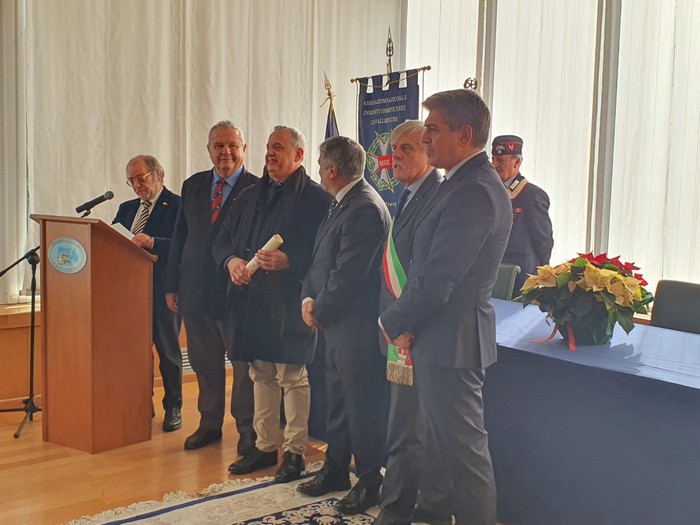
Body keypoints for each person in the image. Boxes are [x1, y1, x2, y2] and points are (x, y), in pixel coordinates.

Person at [378, 89, 513, 525]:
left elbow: (440, 278)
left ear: (464, 134)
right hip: (439, 338)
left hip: (454, 343)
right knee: (444, 451)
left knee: (464, 461)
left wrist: (392, 320)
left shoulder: (474, 190)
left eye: (433, 130)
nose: (426, 139)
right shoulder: (457, 182)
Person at [212, 125, 331, 483]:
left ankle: (294, 452)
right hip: (252, 301)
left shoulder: (318, 199)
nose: (270, 154)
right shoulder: (250, 195)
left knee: (292, 377)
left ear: (299, 155)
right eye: (268, 147)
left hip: (291, 301)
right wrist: (232, 262)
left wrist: (289, 262)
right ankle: (265, 446)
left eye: (278, 147)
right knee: (260, 373)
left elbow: (327, 254)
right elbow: (221, 240)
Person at [296, 136, 391, 514]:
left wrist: (319, 309)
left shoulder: (365, 207)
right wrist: (308, 298)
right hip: (335, 325)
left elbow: (348, 275)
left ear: (332, 169)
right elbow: (319, 261)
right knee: (337, 402)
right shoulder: (341, 202)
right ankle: (336, 470)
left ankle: (369, 481)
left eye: (321, 165)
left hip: (356, 329)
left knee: (361, 405)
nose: (319, 172)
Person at [164, 121, 258, 453]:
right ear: (208, 150)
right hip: (194, 291)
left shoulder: (257, 189)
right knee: (204, 362)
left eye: (232, 145)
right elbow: (180, 237)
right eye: (218, 146)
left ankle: (247, 429)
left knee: (243, 368)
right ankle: (209, 424)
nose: (225, 152)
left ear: (244, 149)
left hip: (237, 294)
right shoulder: (193, 185)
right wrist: (172, 285)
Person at [374, 121, 442, 524]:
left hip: (414, 332)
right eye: (394, 149)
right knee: (407, 425)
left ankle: (396, 511)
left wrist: (402, 322)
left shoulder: (435, 197)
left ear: (428, 153)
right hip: (399, 328)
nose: (395, 156)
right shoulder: (408, 195)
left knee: (408, 428)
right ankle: (421, 505)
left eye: (406, 149)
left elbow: (426, 272)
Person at [113, 155, 182, 432]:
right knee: (136, 353)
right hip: (130, 293)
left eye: (141, 178)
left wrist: (153, 241)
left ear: (158, 175)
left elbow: (184, 245)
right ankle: (142, 403)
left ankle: (173, 407)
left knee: (168, 353)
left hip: (163, 290)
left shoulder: (178, 205)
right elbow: (111, 240)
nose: (137, 185)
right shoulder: (126, 208)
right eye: (131, 181)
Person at [490, 135, 553, 295]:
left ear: (517, 162)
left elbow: (543, 241)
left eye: (501, 161)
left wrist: (543, 275)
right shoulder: (488, 192)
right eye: (494, 159)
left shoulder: (532, 196)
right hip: (490, 274)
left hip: (520, 277)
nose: (495, 165)